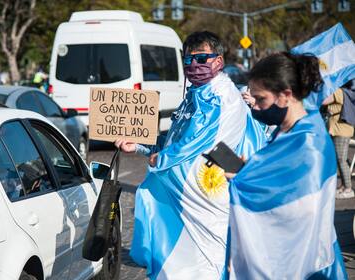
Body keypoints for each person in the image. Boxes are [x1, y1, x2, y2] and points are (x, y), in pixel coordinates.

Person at [116, 31, 266, 279]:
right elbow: (176, 139)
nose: (195, 66)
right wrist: (141, 146)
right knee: (190, 258)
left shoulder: (216, 95)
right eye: (188, 60)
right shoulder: (197, 93)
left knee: (207, 257)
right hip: (190, 196)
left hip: (204, 194)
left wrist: (161, 159)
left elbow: (196, 139)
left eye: (202, 59)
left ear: (218, 60)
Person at [227, 52, 347, 279]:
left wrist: (248, 182)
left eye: (261, 99)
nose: (256, 107)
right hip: (288, 256)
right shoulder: (288, 128)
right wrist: (250, 172)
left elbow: (302, 205)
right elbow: (281, 177)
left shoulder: (309, 141)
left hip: (307, 261)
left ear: (286, 95)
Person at [322, 81, 355, 199]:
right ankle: (343, 186)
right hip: (338, 130)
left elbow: (324, 100)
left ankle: (348, 189)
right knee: (341, 159)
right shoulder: (344, 93)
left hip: (341, 131)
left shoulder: (340, 92)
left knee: (341, 159)